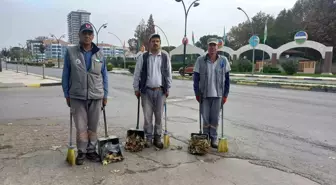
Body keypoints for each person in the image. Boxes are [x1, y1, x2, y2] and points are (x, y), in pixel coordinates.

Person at [61, 23, 108, 165]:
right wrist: (66, 94)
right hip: (77, 96)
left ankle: (91, 151)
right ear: (79, 35)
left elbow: (104, 75)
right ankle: (81, 151)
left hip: (96, 95)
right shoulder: (71, 52)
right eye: (84, 33)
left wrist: (105, 95)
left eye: (89, 33)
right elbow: (66, 75)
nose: (87, 35)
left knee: (93, 126)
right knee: (81, 127)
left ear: (93, 36)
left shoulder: (99, 53)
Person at [132, 33, 172, 149]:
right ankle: (148, 138)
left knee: (159, 116)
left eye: (157, 41)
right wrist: (136, 88)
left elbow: (169, 74)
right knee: (147, 116)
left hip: (160, 91)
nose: (155, 43)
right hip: (146, 91)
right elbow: (137, 74)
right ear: (149, 43)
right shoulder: (143, 57)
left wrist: (168, 88)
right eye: (153, 41)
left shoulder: (165, 57)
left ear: (160, 43)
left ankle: (157, 138)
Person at [192, 38, 231, 149]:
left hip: (218, 95)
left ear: (217, 47)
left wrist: (225, 95)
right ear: (207, 47)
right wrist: (196, 93)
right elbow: (196, 78)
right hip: (204, 94)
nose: (212, 47)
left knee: (214, 118)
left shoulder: (223, 60)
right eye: (210, 46)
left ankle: (213, 138)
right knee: (205, 118)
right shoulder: (200, 60)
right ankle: (205, 138)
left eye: (214, 45)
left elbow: (227, 79)